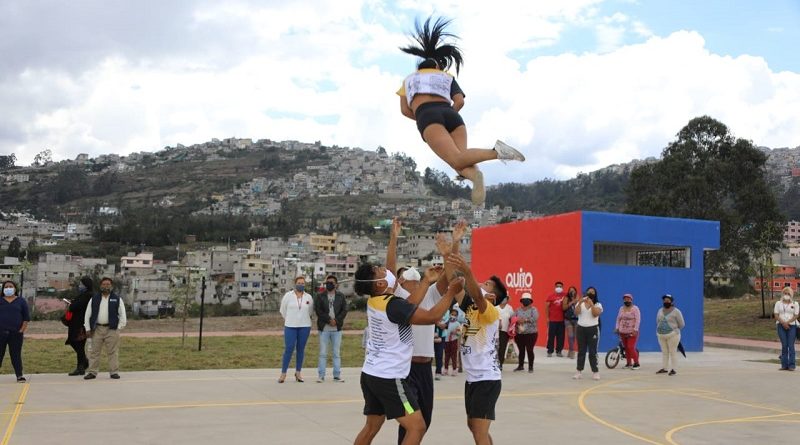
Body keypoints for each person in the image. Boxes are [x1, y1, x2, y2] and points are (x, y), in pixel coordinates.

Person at [397, 16, 525, 206]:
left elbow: (405, 110)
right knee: (460, 162)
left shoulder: (408, 80)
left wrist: (424, 118)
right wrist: (448, 115)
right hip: (453, 116)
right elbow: (459, 101)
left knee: (456, 159)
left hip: (427, 115)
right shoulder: (446, 76)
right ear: (437, 66)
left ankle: (496, 152)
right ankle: (476, 177)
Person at [353, 261, 463, 445]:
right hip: (390, 381)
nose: (387, 271)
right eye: (381, 270)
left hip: (371, 375)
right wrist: (451, 292)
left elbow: (409, 303)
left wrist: (426, 282)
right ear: (380, 283)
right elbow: (432, 317)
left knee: (371, 427)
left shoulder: (376, 301)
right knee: (417, 427)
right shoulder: (393, 306)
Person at [447, 253, 504, 445]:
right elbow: (454, 284)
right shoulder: (471, 308)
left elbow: (477, 295)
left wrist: (467, 270)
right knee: (473, 427)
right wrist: (449, 253)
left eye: (486, 284)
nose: (481, 284)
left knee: (479, 431)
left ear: (493, 296)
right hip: (473, 379)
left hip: (486, 379)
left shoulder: (490, 311)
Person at [84, 277, 127, 380]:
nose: (106, 286)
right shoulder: (94, 299)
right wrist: (88, 328)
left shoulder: (117, 299)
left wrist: (119, 327)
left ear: (111, 286)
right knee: (94, 352)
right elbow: (87, 314)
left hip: (112, 329)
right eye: (104, 284)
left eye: (108, 284)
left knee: (113, 352)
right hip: (97, 329)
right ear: (100, 286)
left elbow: (122, 315)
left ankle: (114, 372)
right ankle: (92, 372)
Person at [279, 276, 314, 383]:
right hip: (290, 326)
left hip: (304, 326)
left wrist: (302, 319)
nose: (301, 285)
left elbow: (310, 312)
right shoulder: (288, 296)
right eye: (299, 283)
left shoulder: (308, 297)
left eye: (303, 283)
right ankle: (283, 373)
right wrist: (290, 319)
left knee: (300, 349)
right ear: (295, 284)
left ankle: (298, 373)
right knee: (289, 349)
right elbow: (283, 310)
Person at [314, 274, 348, 383]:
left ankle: (337, 375)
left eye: (331, 282)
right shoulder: (320, 296)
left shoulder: (341, 296)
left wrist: (336, 321)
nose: (329, 284)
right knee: (323, 353)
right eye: (327, 282)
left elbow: (344, 310)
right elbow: (318, 311)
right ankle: (321, 375)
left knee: (336, 353)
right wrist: (329, 320)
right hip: (324, 328)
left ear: (336, 285)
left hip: (337, 330)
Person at [0, 280, 30, 382]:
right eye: (6, 287)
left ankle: (19, 375)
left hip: (16, 334)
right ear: (3, 289)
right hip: (1, 333)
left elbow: (26, 318)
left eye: (10, 286)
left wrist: (21, 330)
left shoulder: (21, 301)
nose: (8, 288)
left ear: (15, 288)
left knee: (16, 355)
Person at [573, 286, 602, 381]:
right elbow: (576, 313)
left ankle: (595, 371)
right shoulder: (580, 303)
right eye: (589, 291)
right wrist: (580, 302)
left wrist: (592, 304)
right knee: (581, 351)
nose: (590, 293)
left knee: (592, 352)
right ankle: (579, 371)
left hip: (592, 329)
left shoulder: (598, 304)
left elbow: (595, 314)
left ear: (595, 294)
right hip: (581, 329)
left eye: (592, 291)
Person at [66, 276, 93, 376]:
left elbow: (74, 307)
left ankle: (81, 367)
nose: (80, 286)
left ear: (86, 285)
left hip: (81, 325)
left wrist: (72, 304)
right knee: (77, 344)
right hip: (77, 323)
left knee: (79, 345)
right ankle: (83, 364)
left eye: (82, 284)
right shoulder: (83, 295)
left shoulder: (87, 295)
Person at [656, 294, 685, 376]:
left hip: (673, 335)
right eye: (664, 300)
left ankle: (674, 369)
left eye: (668, 300)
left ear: (671, 301)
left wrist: (674, 330)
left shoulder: (676, 311)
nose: (666, 302)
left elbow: (682, 324)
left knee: (673, 352)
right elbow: (657, 321)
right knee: (664, 352)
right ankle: (664, 368)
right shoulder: (660, 310)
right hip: (661, 335)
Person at [513, 292, 539, 373]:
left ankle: (530, 367)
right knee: (521, 350)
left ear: (530, 301)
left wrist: (524, 320)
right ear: (521, 301)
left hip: (531, 334)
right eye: (524, 300)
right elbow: (513, 318)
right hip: (519, 334)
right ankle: (521, 366)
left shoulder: (533, 310)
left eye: (527, 300)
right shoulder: (517, 310)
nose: (525, 301)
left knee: (529, 350)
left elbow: (535, 318)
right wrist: (517, 320)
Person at [614, 293, 641, 370]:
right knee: (626, 348)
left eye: (628, 299)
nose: (627, 300)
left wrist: (635, 330)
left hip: (632, 332)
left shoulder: (635, 309)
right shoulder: (621, 309)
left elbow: (638, 320)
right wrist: (617, 328)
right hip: (622, 332)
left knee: (630, 347)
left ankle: (636, 363)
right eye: (625, 299)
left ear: (631, 300)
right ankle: (629, 363)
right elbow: (618, 319)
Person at [774, 287, 798, 371]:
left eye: (788, 294)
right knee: (784, 345)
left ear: (791, 295)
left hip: (792, 326)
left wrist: (787, 322)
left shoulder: (795, 303)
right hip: (780, 325)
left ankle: (792, 365)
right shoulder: (778, 303)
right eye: (785, 293)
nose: (786, 295)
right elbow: (776, 315)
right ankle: (784, 365)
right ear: (782, 294)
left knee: (791, 345)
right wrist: (783, 323)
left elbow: (796, 315)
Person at [545, 281, 567, 357]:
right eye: (557, 286)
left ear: (562, 287)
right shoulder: (551, 296)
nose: (559, 288)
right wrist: (547, 317)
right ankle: (550, 351)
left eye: (560, 286)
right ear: (555, 287)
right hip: (552, 320)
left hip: (562, 320)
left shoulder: (565, 295)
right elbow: (547, 307)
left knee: (561, 337)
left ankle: (559, 351)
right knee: (551, 336)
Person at [497, 295, 515, 370]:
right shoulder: (495, 306)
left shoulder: (509, 308)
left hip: (504, 332)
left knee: (502, 348)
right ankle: (493, 364)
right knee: (494, 348)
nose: (503, 299)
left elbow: (512, 319)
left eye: (505, 298)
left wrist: (511, 331)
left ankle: (500, 364)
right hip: (494, 331)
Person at [562, 286, 579, 359]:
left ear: (575, 291)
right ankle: (572, 351)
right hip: (568, 319)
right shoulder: (566, 298)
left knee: (574, 336)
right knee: (570, 336)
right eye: (570, 290)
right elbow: (564, 308)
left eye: (573, 290)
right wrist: (572, 302)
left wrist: (577, 301)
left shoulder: (578, 298)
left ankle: (570, 350)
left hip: (576, 319)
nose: (572, 292)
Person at [443, 309, 462, 376]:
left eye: (455, 315)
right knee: (446, 355)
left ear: (457, 316)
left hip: (454, 340)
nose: (453, 316)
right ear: (450, 314)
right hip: (446, 340)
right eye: (452, 314)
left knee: (454, 355)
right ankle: (445, 369)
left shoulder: (457, 324)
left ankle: (454, 369)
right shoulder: (447, 322)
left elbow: (460, 332)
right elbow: (443, 328)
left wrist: (456, 332)